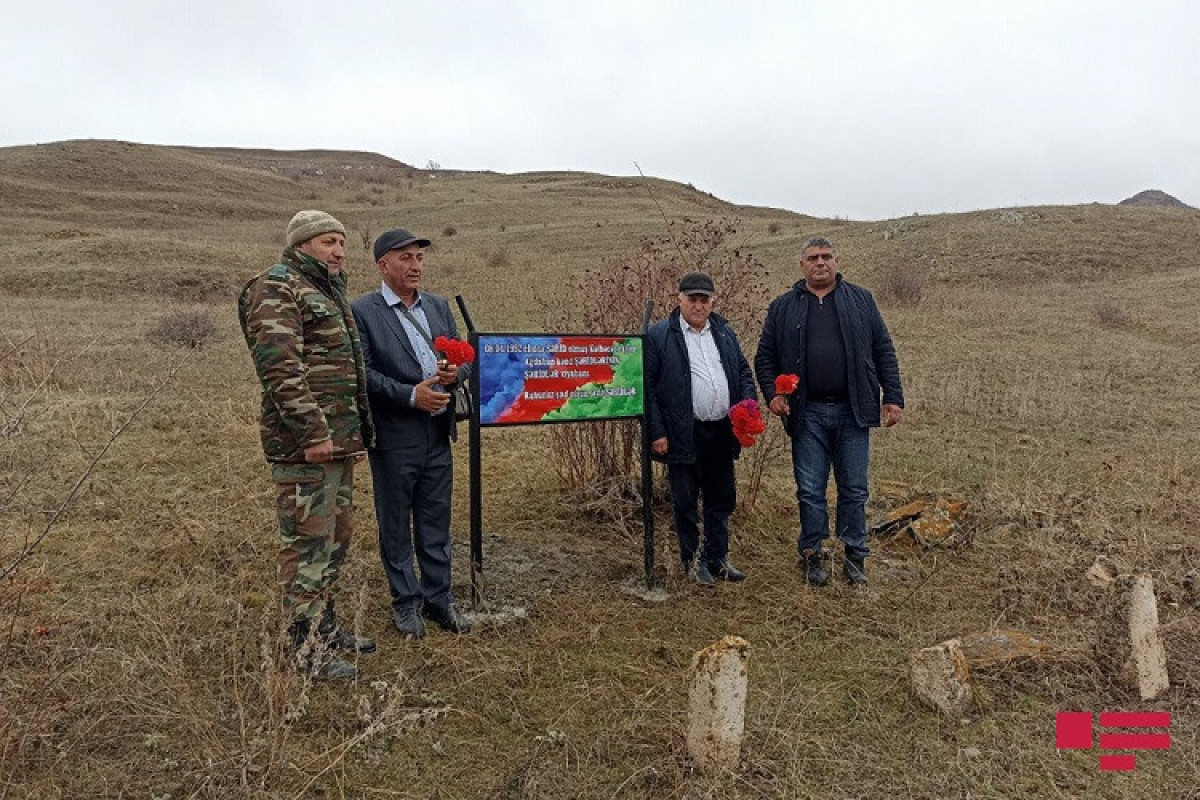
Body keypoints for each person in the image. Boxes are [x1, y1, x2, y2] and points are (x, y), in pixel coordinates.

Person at [238, 210, 376, 681]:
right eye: (327, 242)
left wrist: (350, 436)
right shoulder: (277, 287)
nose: (338, 250)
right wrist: (313, 433)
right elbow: (281, 370)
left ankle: (326, 629)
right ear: (301, 245)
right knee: (307, 544)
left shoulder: (325, 290)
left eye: (341, 242)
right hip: (305, 446)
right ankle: (303, 651)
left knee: (335, 540)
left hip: (336, 443)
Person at [755, 236, 904, 587]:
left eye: (826, 257)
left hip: (854, 412)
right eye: (812, 258)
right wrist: (773, 394)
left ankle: (854, 557)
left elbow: (883, 349)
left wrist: (892, 397)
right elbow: (765, 357)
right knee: (810, 489)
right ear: (801, 265)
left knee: (854, 488)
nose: (820, 263)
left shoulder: (861, 300)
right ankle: (812, 554)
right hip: (807, 415)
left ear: (837, 261)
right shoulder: (783, 307)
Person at [351, 229, 472, 638]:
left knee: (436, 519)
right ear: (383, 265)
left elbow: (462, 357)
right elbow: (361, 373)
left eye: (418, 257)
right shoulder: (362, 312)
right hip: (394, 436)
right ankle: (406, 603)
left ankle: (439, 600)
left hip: (438, 434)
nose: (415, 265)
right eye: (404, 257)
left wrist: (455, 374)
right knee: (396, 524)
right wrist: (409, 396)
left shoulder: (437, 307)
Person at [645, 272, 758, 586]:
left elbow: (742, 372)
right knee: (685, 499)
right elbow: (647, 388)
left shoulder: (724, 332)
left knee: (721, 497)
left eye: (704, 299)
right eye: (692, 298)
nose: (698, 305)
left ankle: (718, 558)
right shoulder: (660, 335)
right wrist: (657, 432)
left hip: (722, 430)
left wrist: (747, 405)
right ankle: (692, 562)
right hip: (683, 431)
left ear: (712, 301)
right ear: (679, 299)